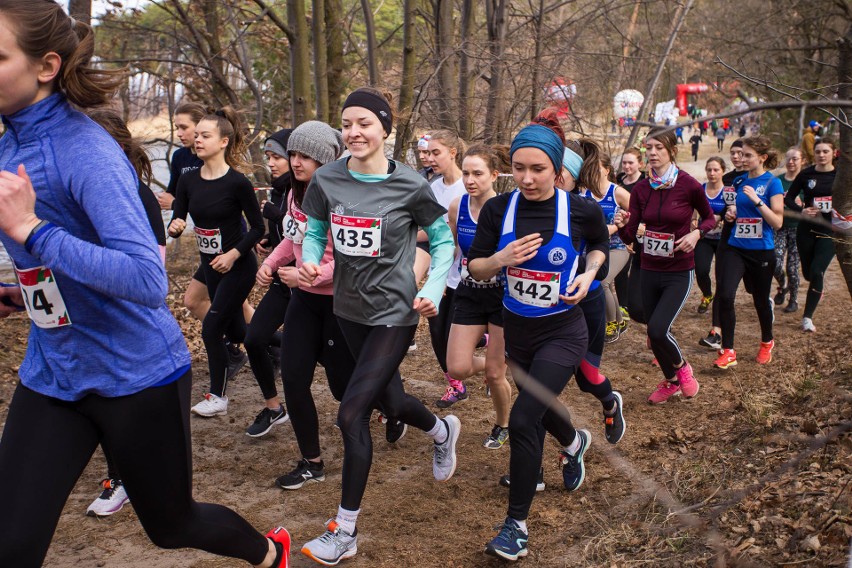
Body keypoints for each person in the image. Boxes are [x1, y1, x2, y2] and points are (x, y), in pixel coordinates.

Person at [0, 2, 289, 566]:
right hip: (54, 372)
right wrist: (22, 291)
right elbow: (45, 262)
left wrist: (33, 230)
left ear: (45, 65)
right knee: (10, 543)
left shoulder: (83, 149)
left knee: (171, 525)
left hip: (136, 376)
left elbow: (142, 277)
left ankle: (267, 552)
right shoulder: (8, 142)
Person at [297, 87, 459, 565]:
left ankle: (344, 531)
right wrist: (309, 261)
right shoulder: (327, 179)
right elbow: (315, 229)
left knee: (351, 414)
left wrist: (431, 290)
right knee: (390, 400)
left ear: (385, 130)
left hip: (395, 310)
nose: (354, 132)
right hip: (348, 310)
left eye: (364, 123)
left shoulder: (410, 185)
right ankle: (442, 432)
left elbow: (445, 241)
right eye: (347, 124)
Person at [467, 122, 609, 561]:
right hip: (518, 333)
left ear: (557, 170)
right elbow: (475, 269)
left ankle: (516, 528)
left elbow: (601, 247)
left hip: (563, 332)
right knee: (539, 407)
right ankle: (574, 442)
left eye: (538, 169)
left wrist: (587, 274)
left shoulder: (580, 211)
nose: (527, 178)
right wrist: (499, 259)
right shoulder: (498, 210)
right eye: (519, 168)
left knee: (525, 419)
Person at [256, 121, 357, 489]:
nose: (295, 162)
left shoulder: (343, 197)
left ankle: (393, 411)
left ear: (327, 159)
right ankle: (311, 462)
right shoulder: (296, 194)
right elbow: (291, 237)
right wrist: (270, 263)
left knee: (343, 388)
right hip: (303, 302)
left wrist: (308, 275)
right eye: (293, 154)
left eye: (305, 156)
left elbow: (349, 260)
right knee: (295, 380)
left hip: (338, 305)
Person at [80, 108, 170, 517]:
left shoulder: (139, 196)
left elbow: (153, 274)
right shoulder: (87, 191)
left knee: (120, 404)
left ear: (114, 146)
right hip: (88, 321)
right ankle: (123, 474)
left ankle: (122, 479)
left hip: (132, 323)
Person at [168, 107, 265, 416]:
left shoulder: (238, 183)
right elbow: (179, 214)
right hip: (210, 265)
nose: (197, 140)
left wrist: (234, 254)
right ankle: (294, 346)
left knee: (211, 328)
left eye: (204, 136)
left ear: (223, 142)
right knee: (239, 333)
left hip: (238, 265)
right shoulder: (189, 180)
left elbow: (259, 228)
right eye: (196, 136)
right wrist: (176, 225)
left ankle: (218, 398)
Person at [614, 127, 716, 404]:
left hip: (678, 270)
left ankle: (682, 368)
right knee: (647, 324)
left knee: (658, 329)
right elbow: (632, 235)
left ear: (671, 150)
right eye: (649, 148)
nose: (653, 153)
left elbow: (709, 219)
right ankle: (671, 381)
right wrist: (623, 227)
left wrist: (696, 234)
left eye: (659, 147)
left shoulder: (688, 185)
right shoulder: (642, 189)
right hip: (648, 267)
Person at [161, 100, 250, 378]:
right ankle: (251, 347)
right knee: (205, 303)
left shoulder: (215, 157)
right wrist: (176, 217)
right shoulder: (180, 160)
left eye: (187, 128)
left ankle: (253, 348)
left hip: (232, 244)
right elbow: (181, 202)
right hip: (207, 246)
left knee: (206, 303)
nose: (184, 134)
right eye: (180, 129)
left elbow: (221, 193)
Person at [446, 144, 512, 448]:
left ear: (494, 175)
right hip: (469, 292)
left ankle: (502, 424)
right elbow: (455, 248)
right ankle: (498, 363)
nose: (470, 179)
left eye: (478, 173)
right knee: (457, 367)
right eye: (466, 173)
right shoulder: (457, 206)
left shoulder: (508, 209)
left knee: (497, 376)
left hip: (501, 295)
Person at [713, 136, 783, 369]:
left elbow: (777, 222)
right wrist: (731, 214)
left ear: (762, 158)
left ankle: (766, 342)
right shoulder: (739, 180)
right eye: (741, 154)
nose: (742, 159)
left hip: (761, 251)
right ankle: (728, 350)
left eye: (748, 155)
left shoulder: (772, 183)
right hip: (735, 247)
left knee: (761, 301)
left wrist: (757, 202)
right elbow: (732, 209)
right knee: (725, 295)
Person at [243, 128, 294, 437]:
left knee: (333, 360)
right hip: (281, 285)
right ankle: (275, 408)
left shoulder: (305, 189)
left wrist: (275, 217)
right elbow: (286, 238)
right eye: (269, 157)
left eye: (277, 157)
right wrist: (268, 240)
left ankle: (387, 403)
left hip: (309, 287)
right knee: (253, 339)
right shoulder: (277, 189)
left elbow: (305, 232)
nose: (271, 163)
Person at [422, 130, 471, 407]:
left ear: (453, 152)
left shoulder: (468, 185)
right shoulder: (432, 188)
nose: (429, 158)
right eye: (427, 153)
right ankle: (456, 386)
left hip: (467, 275)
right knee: (437, 332)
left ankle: (490, 344)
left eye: (435, 152)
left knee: (457, 333)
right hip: (440, 272)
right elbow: (429, 230)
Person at [575, 140, 631, 343]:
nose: (592, 172)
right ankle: (618, 320)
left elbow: (637, 216)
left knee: (603, 281)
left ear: (607, 170)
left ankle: (611, 325)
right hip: (593, 247)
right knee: (606, 285)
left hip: (617, 247)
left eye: (596, 169)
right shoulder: (584, 193)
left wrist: (624, 227)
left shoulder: (617, 193)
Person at [785, 139, 837, 332]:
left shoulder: (840, 175)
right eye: (818, 152)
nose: (822, 155)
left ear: (833, 153)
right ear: (813, 154)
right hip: (806, 228)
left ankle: (807, 317)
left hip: (829, 229)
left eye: (825, 151)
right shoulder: (806, 174)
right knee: (807, 273)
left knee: (817, 271)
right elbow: (789, 198)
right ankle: (817, 286)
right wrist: (801, 211)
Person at [693, 157, 726, 316]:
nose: (712, 173)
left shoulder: (728, 192)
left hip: (723, 239)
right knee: (701, 270)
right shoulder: (700, 189)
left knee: (721, 274)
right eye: (709, 170)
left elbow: (735, 211)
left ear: (723, 171)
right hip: (704, 237)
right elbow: (692, 208)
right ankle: (707, 295)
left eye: (716, 170)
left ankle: (720, 304)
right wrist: (693, 221)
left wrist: (722, 218)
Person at [773, 147, 804, 313]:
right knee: (775, 262)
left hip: (798, 229)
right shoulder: (777, 181)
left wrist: (804, 205)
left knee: (793, 267)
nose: (791, 162)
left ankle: (794, 299)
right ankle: (782, 284)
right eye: (788, 158)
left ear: (802, 161)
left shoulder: (806, 180)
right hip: (780, 227)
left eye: (795, 159)